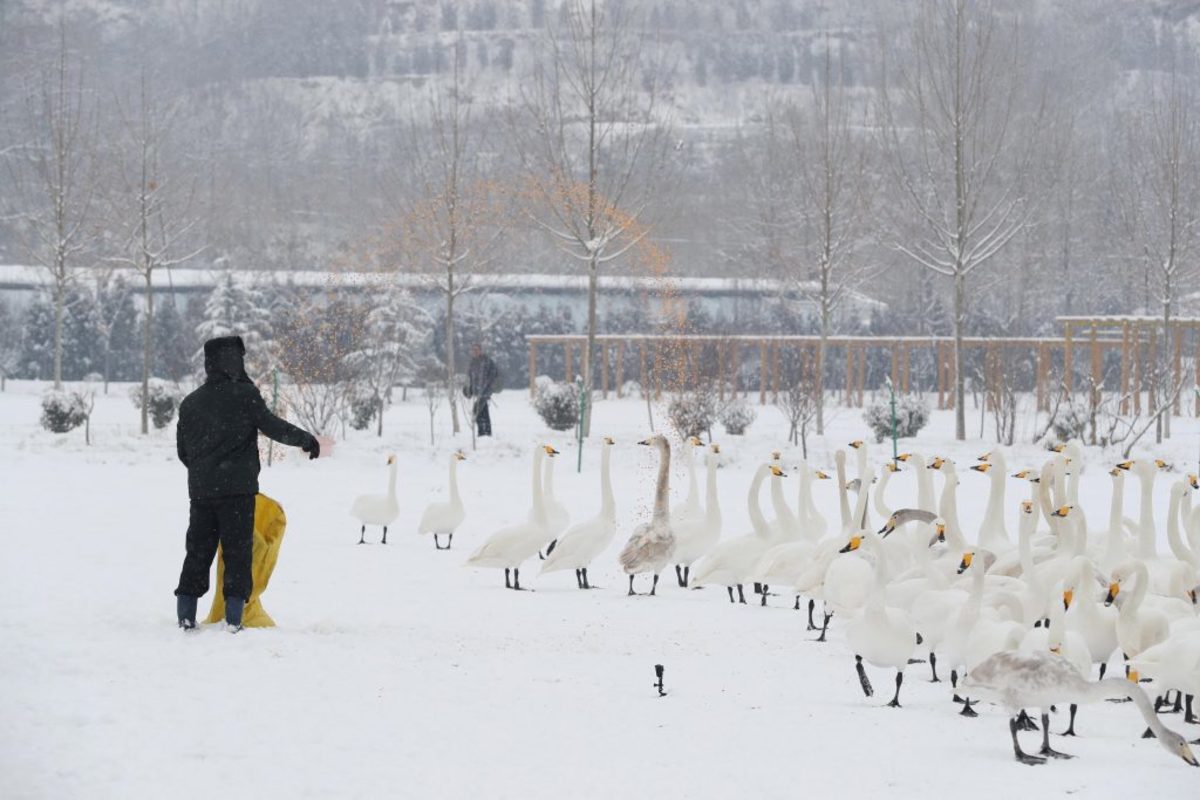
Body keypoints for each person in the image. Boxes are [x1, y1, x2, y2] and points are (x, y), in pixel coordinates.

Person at [174, 335, 320, 632]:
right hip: (238, 492)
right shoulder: (245, 394)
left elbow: (183, 451)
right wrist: (304, 439)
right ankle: (233, 621)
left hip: (201, 493)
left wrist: (205, 472)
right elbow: (271, 426)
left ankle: (186, 618)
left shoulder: (191, 403)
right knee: (237, 554)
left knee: (198, 552)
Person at [465, 342, 499, 437]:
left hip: (485, 391)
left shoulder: (487, 361)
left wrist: (488, 386)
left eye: (476, 350)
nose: (475, 352)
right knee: (482, 413)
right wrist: (469, 388)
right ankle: (484, 433)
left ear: (480, 350)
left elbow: (494, 374)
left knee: (478, 411)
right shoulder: (472, 363)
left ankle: (485, 433)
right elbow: (470, 377)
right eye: (473, 350)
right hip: (477, 392)